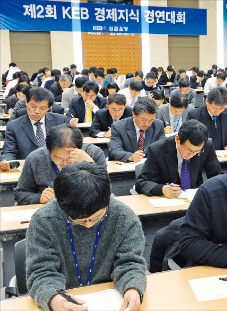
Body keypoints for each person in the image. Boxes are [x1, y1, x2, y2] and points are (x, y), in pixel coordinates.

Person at [26, 162, 147, 311]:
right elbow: (41, 272)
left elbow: (130, 263)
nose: (89, 225)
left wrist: (133, 288)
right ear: (62, 206)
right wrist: (53, 298)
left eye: (97, 218)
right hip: (66, 298)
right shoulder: (44, 221)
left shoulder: (124, 218)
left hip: (110, 300)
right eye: (81, 221)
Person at [14, 124, 105, 205]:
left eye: (69, 157)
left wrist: (90, 164)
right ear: (48, 150)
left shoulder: (94, 153)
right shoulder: (35, 158)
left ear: (80, 148)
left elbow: (105, 192)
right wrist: (39, 198)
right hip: (50, 210)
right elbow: (20, 193)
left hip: (86, 209)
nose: (64, 163)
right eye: (58, 158)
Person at [136, 119, 221, 198]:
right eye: (188, 150)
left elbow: (216, 175)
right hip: (168, 202)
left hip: (194, 199)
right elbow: (142, 182)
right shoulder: (157, 149)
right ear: (177, 139)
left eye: (197, 151)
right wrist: (162, 189)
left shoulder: (207, 145)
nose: (191, 155)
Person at [1, 88, 68, 170]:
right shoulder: (14, 126)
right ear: (26, 103)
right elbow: (9, 151)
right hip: (28, 170)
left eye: (42, 108)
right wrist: (7, 162)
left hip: (57, 169)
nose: (36, 111)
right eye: (33, 106)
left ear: (48, 108)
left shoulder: (61, 121)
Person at [108, 97, 165, 162]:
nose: (147, 123)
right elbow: (114, 150)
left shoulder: (158, 125)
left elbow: (163, 147)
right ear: (134, 114)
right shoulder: (118, 126)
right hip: (128, 168)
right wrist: (131, 156)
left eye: (151, 120)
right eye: (143, 119)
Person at [186, 86, 227, 150]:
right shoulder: (194, 115)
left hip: (223, 154)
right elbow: (188, 139)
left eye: (221, 109)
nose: (218, 112)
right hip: (202, 155)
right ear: (207, 101)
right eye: (214, 109)